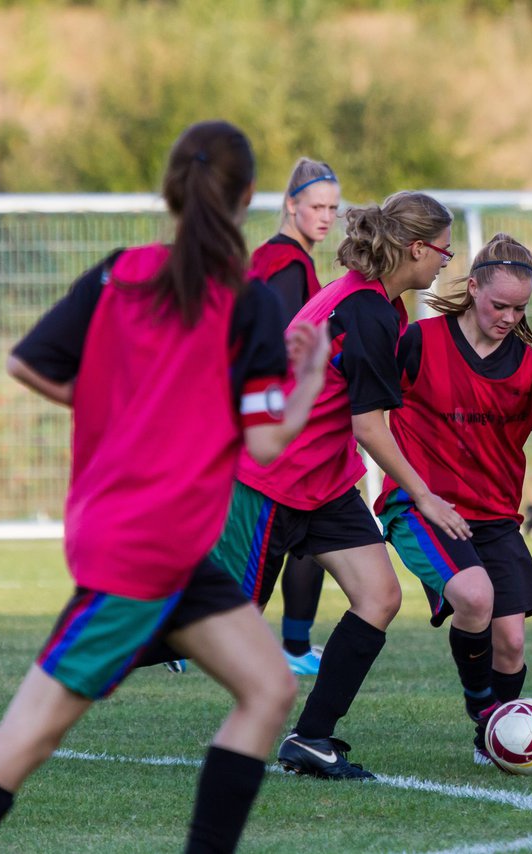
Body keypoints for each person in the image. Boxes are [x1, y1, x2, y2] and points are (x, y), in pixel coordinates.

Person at [0, 121, 330, 853]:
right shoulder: (247, 301)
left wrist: (121, 405)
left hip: (154, 541)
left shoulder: (119, 273)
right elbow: (266, 439)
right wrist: (311, 380)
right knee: (27, 735)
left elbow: (27, 364)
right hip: (143, 554)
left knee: (269, 688)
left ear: (172, 189)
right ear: (250, 198)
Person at [209, 190, 470, 780]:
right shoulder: (367, 309)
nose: (445, 264)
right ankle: (98, 649)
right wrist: (424, 496)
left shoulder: (378, 303)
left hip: (323, 483)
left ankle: (311, 739)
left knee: (379, 598)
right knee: (215, 622)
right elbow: (369, 425)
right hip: (270, 480)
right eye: (444, 254)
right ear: (415, 248)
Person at [374, 233, 532, 765]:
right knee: (474, 598)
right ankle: (486, 721)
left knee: (512, 643)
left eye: (520, 308)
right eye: (499, 304)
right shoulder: (418, 343)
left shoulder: (530, 370)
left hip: (495, 518)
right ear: (472, 287)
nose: (508, 316)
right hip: (424, 507)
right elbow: (365, 403)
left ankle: (501, 739)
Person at [244, 157, 341, 677]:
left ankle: (295, 644)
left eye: (333, 207)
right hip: (274, 420)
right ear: (290, 204)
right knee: (287, 528)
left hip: (269, 415)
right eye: (316, 206)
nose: (325, 216)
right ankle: (175, 634)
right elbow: (280, 344)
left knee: (302, 526)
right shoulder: (286, 263)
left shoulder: (280, 258)